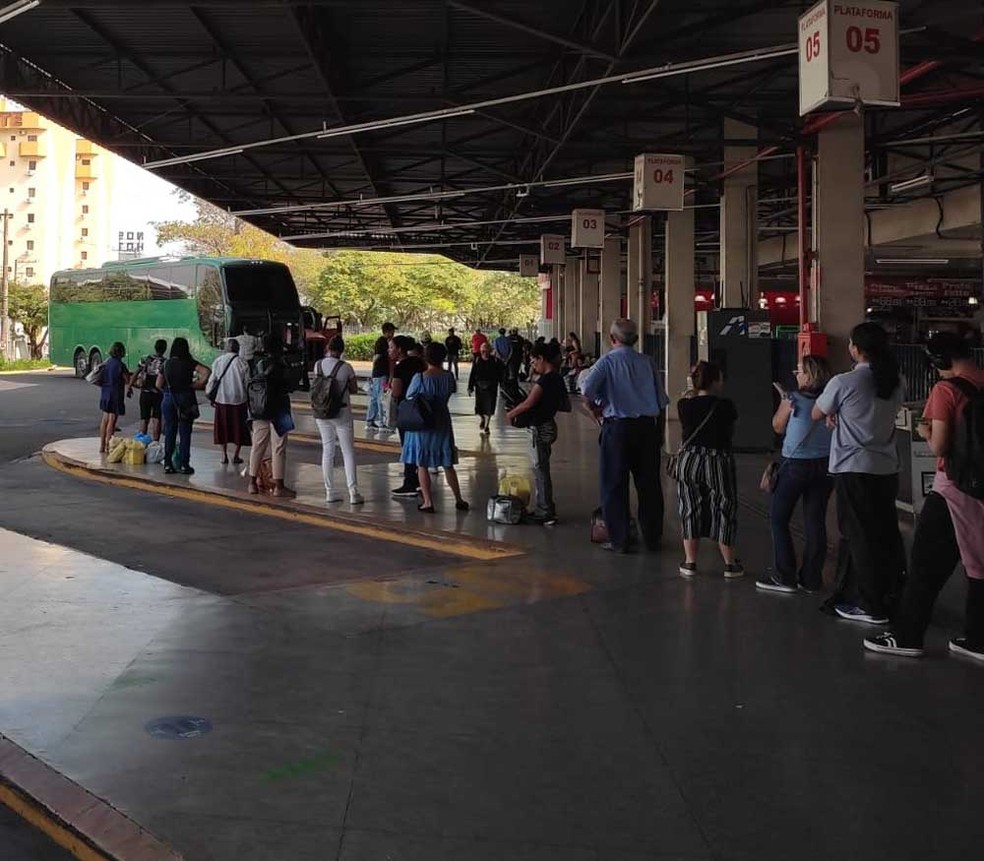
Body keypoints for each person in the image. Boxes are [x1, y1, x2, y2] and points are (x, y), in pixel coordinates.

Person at [865, 333, 984, 661]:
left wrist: (926, 430)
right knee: (978, 564)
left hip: (954, 488)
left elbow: (940, 447)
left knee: (925, 565)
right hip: (982, 489)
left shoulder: (946, 390)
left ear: (939, 362)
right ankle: (977, 638)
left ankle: (907, 635)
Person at [813, 322, 906, 625]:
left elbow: (817, 411)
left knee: (859, 536)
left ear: (856, 349)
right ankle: (886, 592)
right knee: (882, 532)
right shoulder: (896, 381)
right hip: (886, 469)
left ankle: (870, 604)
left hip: (854, 468)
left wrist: (833, 413)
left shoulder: (844, 381)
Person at [582, 319, 669, 553]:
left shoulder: (607, 362)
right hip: (647, 429)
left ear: (612, 339)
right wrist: (659, 433)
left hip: (617, 429)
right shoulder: (647, 362)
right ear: (636, 340)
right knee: (649, 485)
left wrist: (598, 406)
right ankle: (652, 537)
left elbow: (586, 389)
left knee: (614, 484)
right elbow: (661, 402)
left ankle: (620, 540)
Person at [757, 356, 834, 595]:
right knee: (815, 521)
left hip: (795, 466)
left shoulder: (793, 399)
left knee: (778, 518)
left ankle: (784, 575)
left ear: (809, 375)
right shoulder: (831, 400)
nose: (795, 373)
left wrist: (783, 405)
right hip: (825, 466)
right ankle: (811, 579)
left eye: (799, 370)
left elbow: (777, 427)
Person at [674, 361, 742, 577]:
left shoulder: (684, 405)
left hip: (689, 460)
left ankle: (690, 562)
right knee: (724, 507)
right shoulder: (726, 406)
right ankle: (730, 564)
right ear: (714, 381)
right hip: (718, 460)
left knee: (689, 507)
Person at [401, 342, 468, 513]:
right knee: (447, 463)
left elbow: (410, 395)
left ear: (425, 356)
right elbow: (450, 391)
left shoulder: (420, 377)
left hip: (424, 421)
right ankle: (459, 499)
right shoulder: (448, 377)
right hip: (442, 419)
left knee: (421, 463)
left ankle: (428, 501)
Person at [506, 341, 567, 525]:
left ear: (541, 358)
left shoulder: (545, 380)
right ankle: (546, 506)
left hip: (539, 428)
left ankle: (545, 510)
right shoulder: (557, 378)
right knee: (543, 467)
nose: (533, 365)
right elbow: (566, 405)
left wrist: (512, 413)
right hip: (550, 425)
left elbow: (529, 403)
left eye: (533, 362)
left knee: (540, 469)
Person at [314, 335, 363, 505]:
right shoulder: (346, 368)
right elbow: (354, 389)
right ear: (342, 350)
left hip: (322, 412)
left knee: (328, 450)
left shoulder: (318, 364)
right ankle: (353, 492)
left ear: (328, 347)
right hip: (342, 412)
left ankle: (329, 491)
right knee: (348, 451)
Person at [247, 335, 296, 498]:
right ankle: (278, 486)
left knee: (257, 445)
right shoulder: (281, 364)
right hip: (279, 409)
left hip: (259, 409)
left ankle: (252, 483)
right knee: (279, 447)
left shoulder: (257, 363)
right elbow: (290, 385)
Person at [158, 337, 210, 475]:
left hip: (169, 398)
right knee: (185, 432)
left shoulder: (166, 364)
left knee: (170, 430)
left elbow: (158, 384)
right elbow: (206, 372)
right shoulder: (189, 362)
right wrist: (197, 384)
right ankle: (184, 464)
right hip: (186, 397)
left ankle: (168, 464)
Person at [390, 336, 426, 497]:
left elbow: (397, 391)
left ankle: (410, 481)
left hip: (406, 409)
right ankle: (421, 479)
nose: (389, 351)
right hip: (422, 407)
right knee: (420, 444)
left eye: (391, 348)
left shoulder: (400, 367)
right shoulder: (419, 363)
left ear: (399, 349)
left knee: (407, 445)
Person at [209, 339, 250, 466]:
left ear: (226, 348)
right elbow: (247, 383)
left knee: (222, 428)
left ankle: (223, 455)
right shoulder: (243, 363)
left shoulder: (218, 361)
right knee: (239, 429)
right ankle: (236, 455)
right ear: (238, 349)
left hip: (222, 399)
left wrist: (210, 395)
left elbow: (212, 380)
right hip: (239, 400)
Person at [127, 339, 166, 441]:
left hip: (145, 393)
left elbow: (136, 373)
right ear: (165, 349)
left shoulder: (145, 359)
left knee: (144, 418)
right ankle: (155, 443)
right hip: (158, 394)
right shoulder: (165, 362)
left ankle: (141, 442)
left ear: (155, 347)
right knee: (157, 419)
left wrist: (130, 386)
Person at [98, 341, 130, 454]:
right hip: (116, 394)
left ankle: (101, 445)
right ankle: (108, 445)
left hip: (105, 392)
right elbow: (127, 380)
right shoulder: (121, 365)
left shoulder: (106, 362)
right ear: (121, 352)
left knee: (105, 419)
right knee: (112, 420)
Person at [468, 341, 502, 434]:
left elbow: (501, 374)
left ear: (490, 351)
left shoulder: (496, 361)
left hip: (491, 388)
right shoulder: (477, 360)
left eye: (486, 350)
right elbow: (473, 374)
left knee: (489, 408)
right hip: (479, 388)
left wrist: (502, 385)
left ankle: (487, 426)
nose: (484, 352)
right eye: (483, 350)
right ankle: (482, 419)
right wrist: (470, 387)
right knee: (479, 408)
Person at [367, 322, 395, 431]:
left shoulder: (383, 341)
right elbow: (377, 356)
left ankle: (370, 421)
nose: (393, 334)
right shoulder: (382, 342)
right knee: (381, 397)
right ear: (387, 331)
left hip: (378, 374)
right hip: (381, 374)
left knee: (375, 397)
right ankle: (382, 423)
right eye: (392, 331)